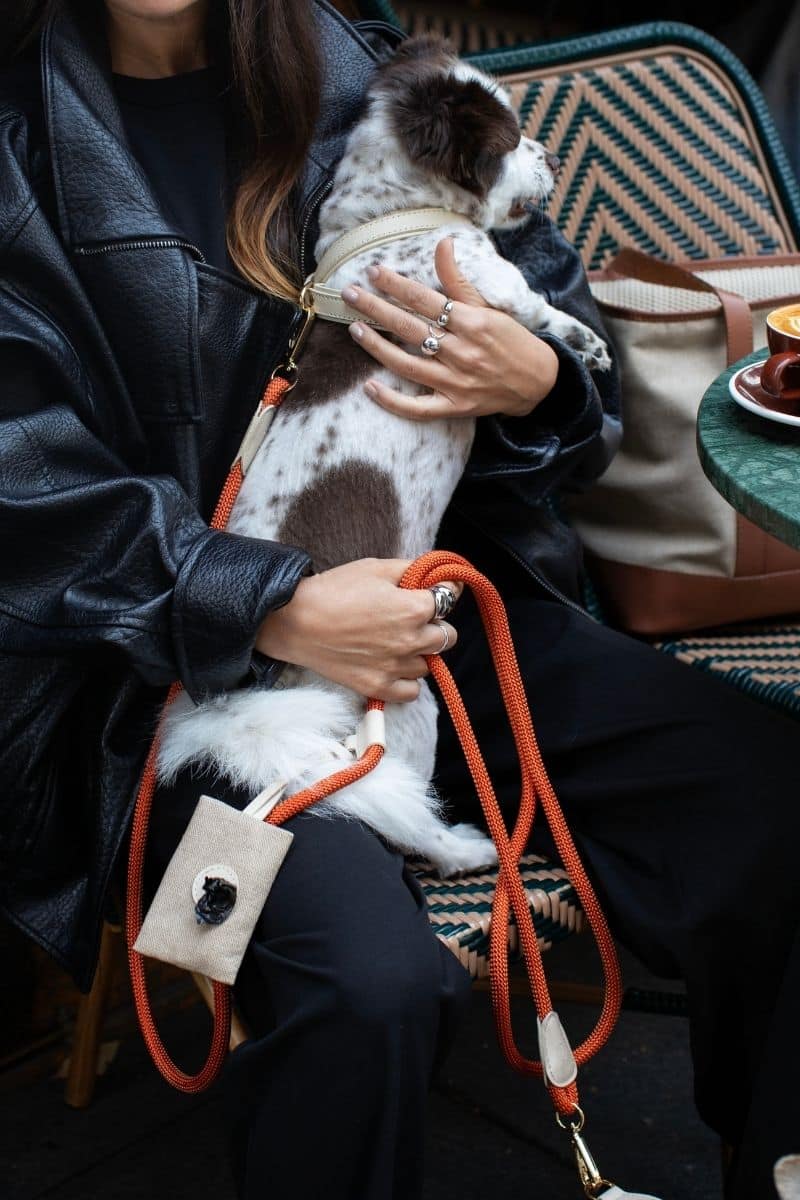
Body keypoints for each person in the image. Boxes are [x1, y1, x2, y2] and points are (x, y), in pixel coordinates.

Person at [0, 2, 797, 1198]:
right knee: (368, 985)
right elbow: (22, 469)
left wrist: (538, 382)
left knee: (773, 801)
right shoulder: (16, 141)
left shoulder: (370, 75)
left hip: (444, 619)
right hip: (173, 692)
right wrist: (266, 604)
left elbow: (549, 331)